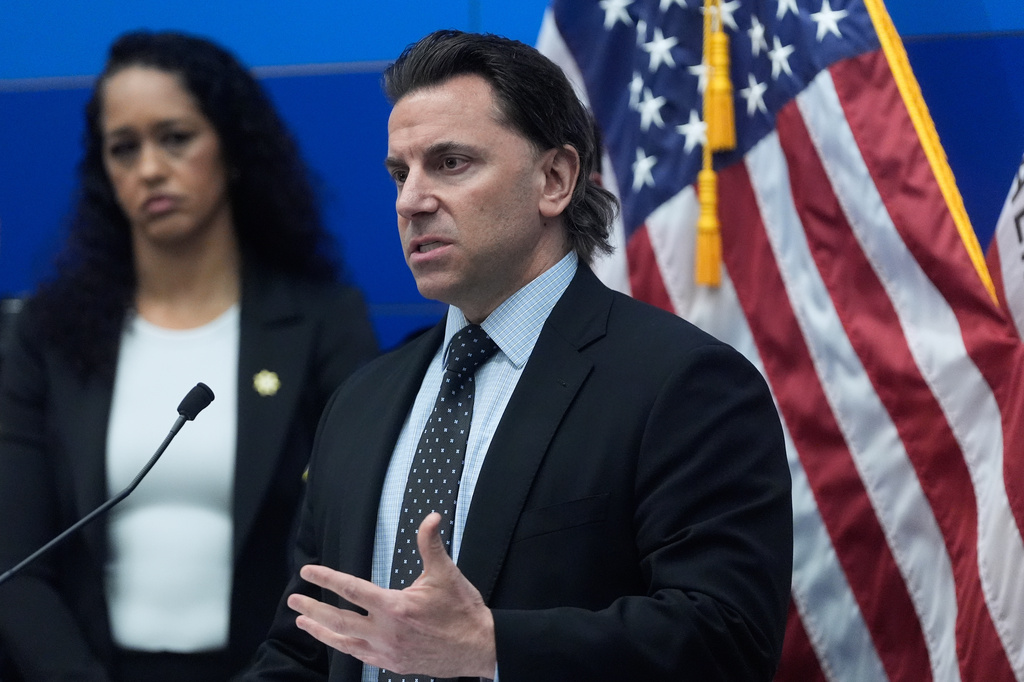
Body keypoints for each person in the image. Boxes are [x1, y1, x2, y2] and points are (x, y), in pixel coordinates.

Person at [246, 30, 792, 681]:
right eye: (400, 172)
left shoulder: (682, 385)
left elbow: (727, 638)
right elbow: (306, 644)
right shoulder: (360, 402)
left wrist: (493, 645)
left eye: (450, 163)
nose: (411, 201)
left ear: (555, 179)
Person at [0, 30, 378, 681]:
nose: (149, 167)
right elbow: (17, 564)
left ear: (231, 148)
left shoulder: (322, 322)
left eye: (175, 138)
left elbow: (355, 545)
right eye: (124, 148)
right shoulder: (49, 334)